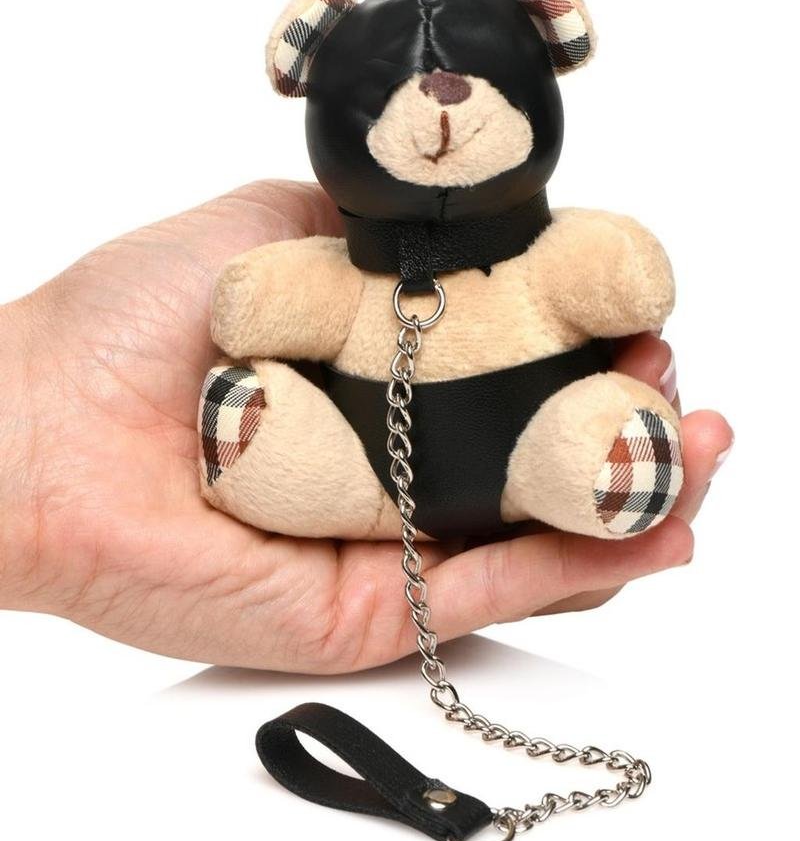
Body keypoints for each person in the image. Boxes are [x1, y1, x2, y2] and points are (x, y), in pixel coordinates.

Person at [0, 180, 733, 671]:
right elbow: (251, 307)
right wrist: (37, 435)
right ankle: (259, 445)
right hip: (361, 480)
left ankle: (597, 463)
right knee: (285, 446)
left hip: (526, 459)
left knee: (583, 440)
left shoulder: (542, 258)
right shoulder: (351, 272)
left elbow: (629, 284)